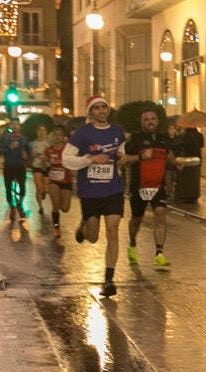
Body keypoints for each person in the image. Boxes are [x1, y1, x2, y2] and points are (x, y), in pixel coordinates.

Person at [61, 95, 129, 297]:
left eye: (104, 107)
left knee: (113, 232)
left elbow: (122, 152)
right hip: (90, 192)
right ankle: (84, 226)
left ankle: (109, 280)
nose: (101, 111)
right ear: (90, 112)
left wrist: (122, 157)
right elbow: (67, 159)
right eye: (97, 108)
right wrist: (90, 159)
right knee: (93, 237)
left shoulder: (117, 131)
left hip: (113, 190)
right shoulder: (82, 133)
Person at [124, 108, 175, 267]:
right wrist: (140, 156)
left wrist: (176, 164)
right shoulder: (135, 139)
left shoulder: (164, 139)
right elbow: (126, 160)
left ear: (158, 121)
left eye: (153, 119)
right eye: (146, 119)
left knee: (160, 215)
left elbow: (169, 157)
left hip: (158, 186)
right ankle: (132, 244)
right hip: (139, 187)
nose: (150, 122)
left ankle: (159, 253)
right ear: (142, 122)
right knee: (136, 220)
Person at [41, 125, 74, 237]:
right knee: (55, 207)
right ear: (52, 136)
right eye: (55, 134)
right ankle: (56, 228)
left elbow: (75, 161)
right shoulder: (48, 150)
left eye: (60, 135)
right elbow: (43, 166)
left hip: (66, 181)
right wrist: (43, 162)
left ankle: (60, 199)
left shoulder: (68, 149)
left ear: (63, 137)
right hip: (53, 181)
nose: (57, 137)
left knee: (65, 209)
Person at [0, 122, 30, 225]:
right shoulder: (4, 139)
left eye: (17, 124)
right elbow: (0, 151)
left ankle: (19, 205)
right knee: (8, 188)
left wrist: (27, 155)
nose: (15, 126)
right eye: (13, 125)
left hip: (20, 166)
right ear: (10, 126)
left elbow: (29, 150)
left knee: (22, 188)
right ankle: (12, 207)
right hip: (9, 166)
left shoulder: (23, 139)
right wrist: (9, 148)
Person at [29, 127, 53, 223]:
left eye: (44, 130)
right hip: (37, 166)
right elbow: (29, 155)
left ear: (46, 133)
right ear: (37, 132)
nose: (42, 132)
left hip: (47, 167)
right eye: (40, 130)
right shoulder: (32, 144)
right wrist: (33, 155)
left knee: (46, 189)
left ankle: (43, 192)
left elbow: (53, 154)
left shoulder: (49, 144)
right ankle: (40, 206)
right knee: (39, 188)